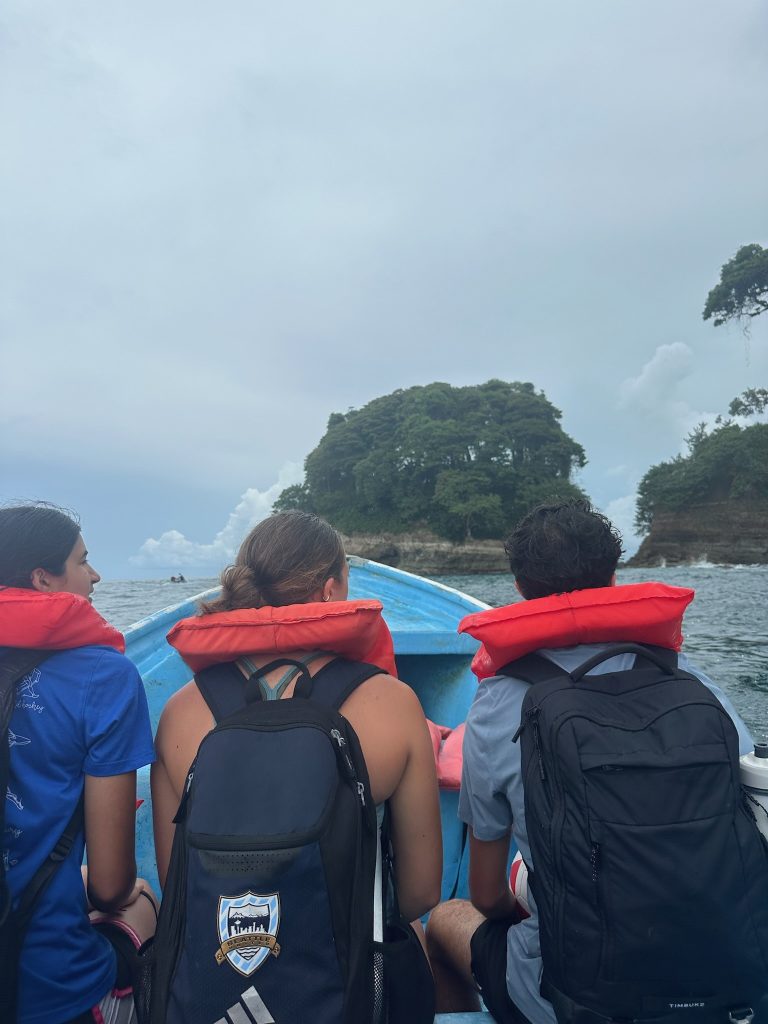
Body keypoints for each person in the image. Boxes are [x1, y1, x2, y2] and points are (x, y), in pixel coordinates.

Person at [426, 498, 754, 1024]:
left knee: (444, 920)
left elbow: (486, 896)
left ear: (517, 591)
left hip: (577, 999)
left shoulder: (498, 702)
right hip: (726, 982)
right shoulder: (691, 683)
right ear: (615, 579)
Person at [151, 511, 442, 1008]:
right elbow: (419, 893)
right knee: (415, 931)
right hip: (341, 991)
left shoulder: (181, 713)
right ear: (330, 591)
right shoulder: (392, 704)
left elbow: (175, 888)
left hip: (218, 981)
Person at [0, 503, 157, 1024]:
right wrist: (114, 888)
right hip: (53, 988)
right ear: (43, 579)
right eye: (82, 561)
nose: (95, 575)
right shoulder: (104, 678)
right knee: (139, 903)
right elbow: (108, 886)